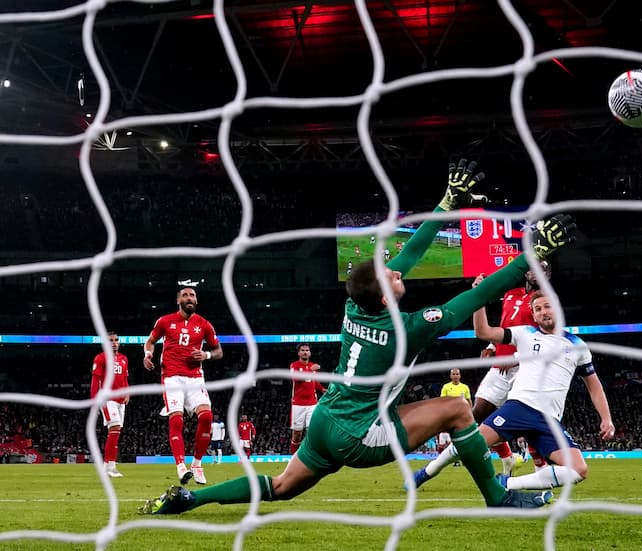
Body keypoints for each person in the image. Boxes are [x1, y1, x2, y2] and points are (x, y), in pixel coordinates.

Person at [139, 158, 576, 515]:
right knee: (459, 410)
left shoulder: (356, 304)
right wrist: (531, 257)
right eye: (390, 276)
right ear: (386, 296)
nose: (396, 270)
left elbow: (411, 252)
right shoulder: (408, 327)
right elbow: (479, 291)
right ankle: (497, 498)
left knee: (281, 487)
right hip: (359, 434)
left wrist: (446, 205)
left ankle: (191, 498)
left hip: (326, 419)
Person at [412, 261, 551, 486]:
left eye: (542, 269)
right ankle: (432, 470)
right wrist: (494, 348)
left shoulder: (545, 302)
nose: (536, 272)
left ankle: (541, 475)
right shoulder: (511, 294)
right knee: (472, 419)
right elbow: (506, 325)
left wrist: (514, 357)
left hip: (525, 369)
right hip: (499, 369)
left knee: (528, 424)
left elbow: (545, 338)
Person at [476, 291, 614, 492]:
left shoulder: (578, 346)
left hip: (548, 419)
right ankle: (425, 472)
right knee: (472, 444)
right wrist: (479, 297)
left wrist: (606, 418)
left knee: (579, 470)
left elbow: (594, 385)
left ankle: (506, 484)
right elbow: (484, 332)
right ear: (533, 315)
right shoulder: (525, 334)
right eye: (538, 309)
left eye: (547, 306)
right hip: (519, 407)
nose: (543, 312)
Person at [143, 286, 223, 485]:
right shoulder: (164, 321)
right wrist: (148, 354)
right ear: (178, 300)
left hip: (195, 377)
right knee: (176, 421)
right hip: (172, 377)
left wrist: (206, 355)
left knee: (206, 417)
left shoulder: (204, 325)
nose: (190, 298)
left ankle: (196, 464)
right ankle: (180, 466)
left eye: (193, 295)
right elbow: (150, 341)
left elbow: (218, 351)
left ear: (196, 300)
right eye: (185, 295)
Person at [90, 331, 129, 478]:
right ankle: (109, 466)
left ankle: (109, 465)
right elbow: (95, 382)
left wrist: (127, 392)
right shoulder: (100, 358)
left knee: (116, 433)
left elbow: (125, 379)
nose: (114, 342)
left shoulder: (124, 359)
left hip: (120, 401)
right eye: (111, 340)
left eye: (116, 340)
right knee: (115, 428)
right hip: (107, 399)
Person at [289, 343, 327, 454]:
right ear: (299, 353)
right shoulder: (294, 366)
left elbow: (314, 381)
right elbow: (296, 378)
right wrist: (311, 370)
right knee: (297, 434)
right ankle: (293, 458)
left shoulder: (312, 366)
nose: (305, 352)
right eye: (303, 350)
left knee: (312, 432)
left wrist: (322, 389)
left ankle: (310, 457)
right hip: (298, 404)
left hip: (312, 404)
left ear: (310, 353)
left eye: (307, 350)